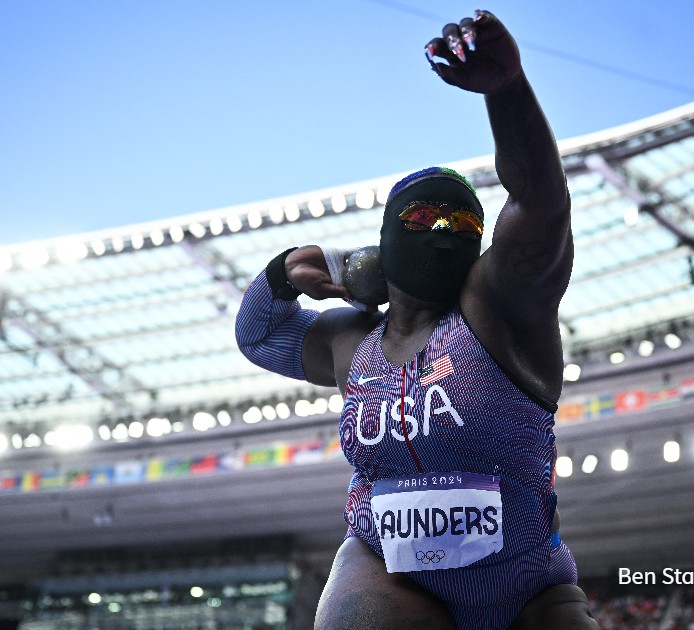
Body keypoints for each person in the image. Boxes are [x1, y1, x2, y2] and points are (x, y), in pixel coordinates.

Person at [235, 10, 598, 629]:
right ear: (381, 244)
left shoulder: (498, 307)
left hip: (526, 589)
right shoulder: (353, 345)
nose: (444, 234)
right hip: (391, 577)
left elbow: (539, 203)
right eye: (424, 219)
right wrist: (279, 274)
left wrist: (508, 91)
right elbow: (259, 336)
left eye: (463, 225)